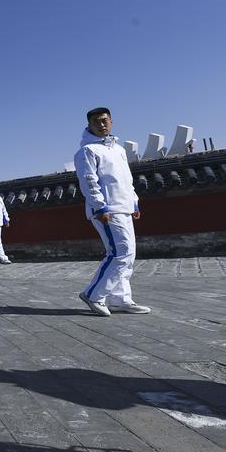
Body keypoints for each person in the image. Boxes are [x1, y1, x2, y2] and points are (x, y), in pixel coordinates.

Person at [75, 107, 150, 316]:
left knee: (128, 255)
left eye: (105, 120)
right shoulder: (87, 151)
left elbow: (126, 179)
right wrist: (100, 207)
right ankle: (93, 295)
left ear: (112, 122)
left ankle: (120, 299)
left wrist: (134, 202)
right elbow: (89, 182)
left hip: (124, 207)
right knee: (119, 253)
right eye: (97, 122)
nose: (102, 124)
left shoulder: (119, 149)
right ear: (89, 125)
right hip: (107, 210)